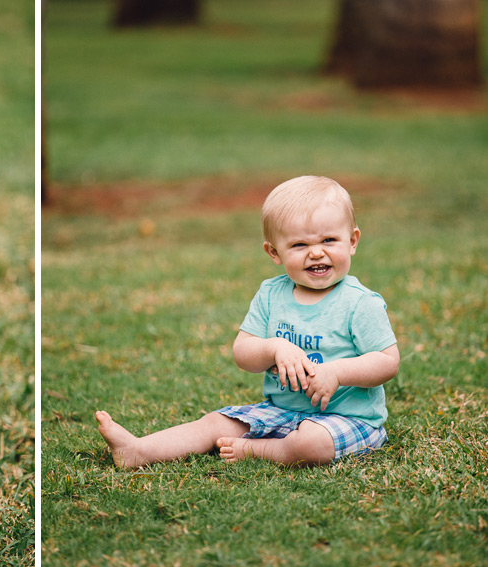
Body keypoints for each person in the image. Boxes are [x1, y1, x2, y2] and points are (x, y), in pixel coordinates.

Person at [96, 176, 399, 468]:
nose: (316, 252)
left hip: (347, 419)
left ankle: (260, 450)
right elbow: (244, 354)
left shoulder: (359, 302)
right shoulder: (271, 295)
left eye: (329, 240)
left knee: (309, 444)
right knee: (215, 423)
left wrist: (337, 372)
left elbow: (387, 361)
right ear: (274, 252)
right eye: (299, 245)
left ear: (352, 241)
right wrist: (275, 347)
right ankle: (138, 450)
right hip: (280, 411)